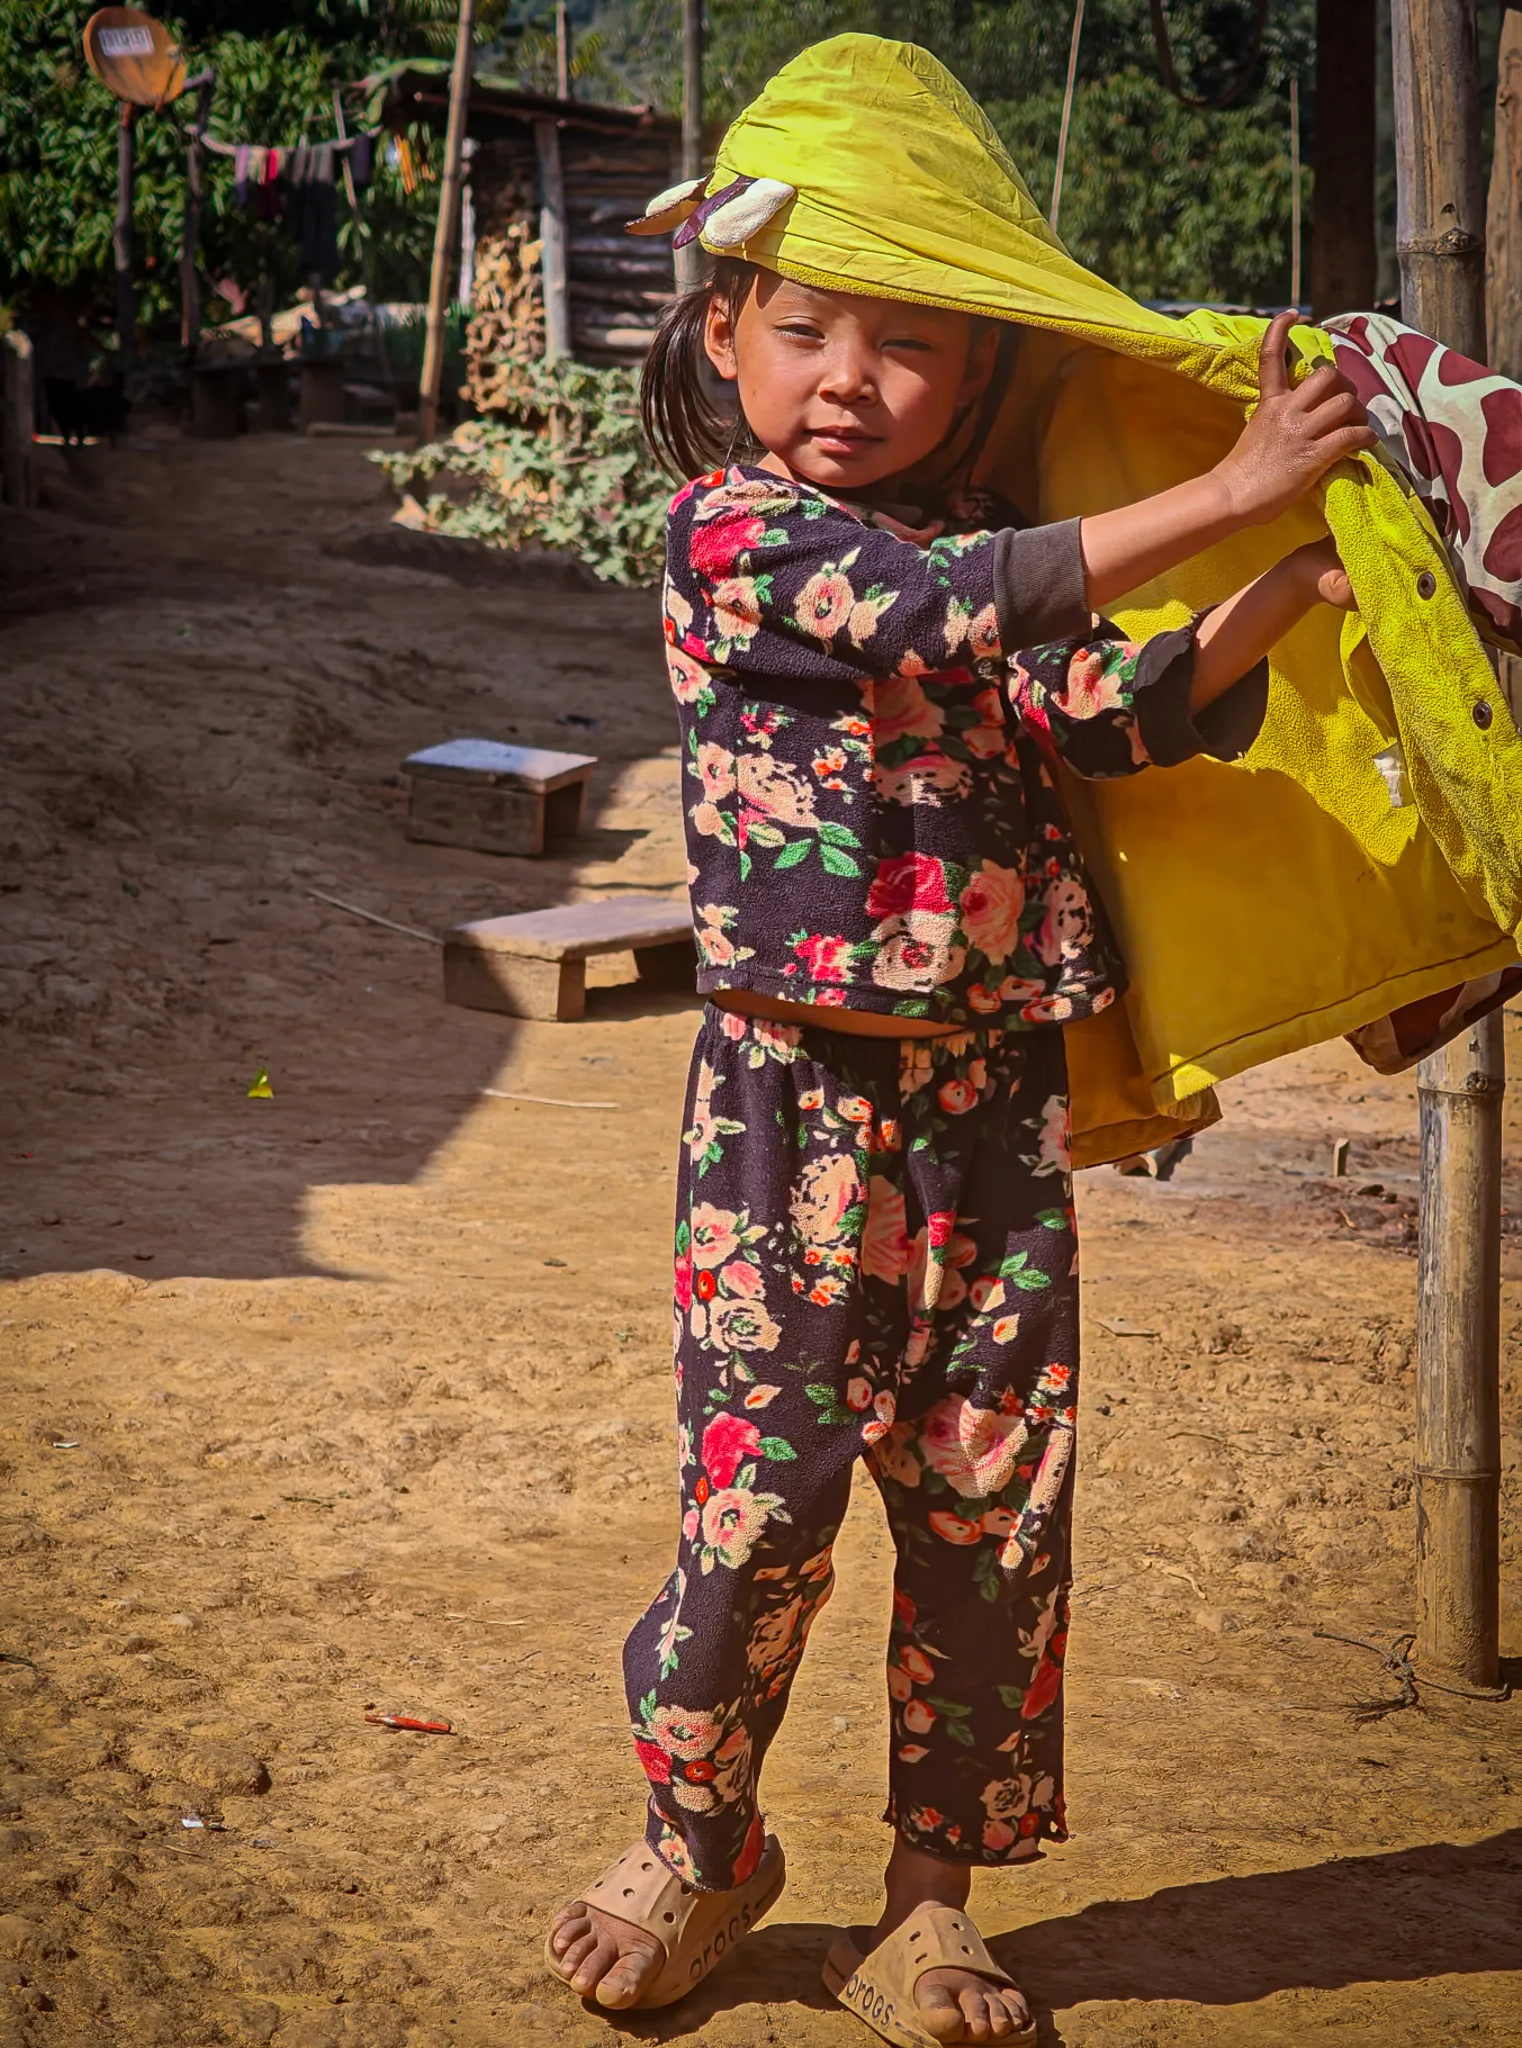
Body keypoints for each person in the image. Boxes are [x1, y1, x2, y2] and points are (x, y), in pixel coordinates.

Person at [542, 105, 1376, 2048]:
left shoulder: (977, 563)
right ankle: (698, 1837)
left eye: (911, 342)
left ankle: (930, 1903)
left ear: (979, 366)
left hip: (990, 1114)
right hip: (792, 1103)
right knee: (760, 1494)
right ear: (727, 331)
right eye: (812, 329)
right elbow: (947, 611)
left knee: (997, 1501)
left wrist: (1290, 581)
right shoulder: (738, 537)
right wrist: (1235, 478)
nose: (854, 381)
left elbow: (1113, 702)